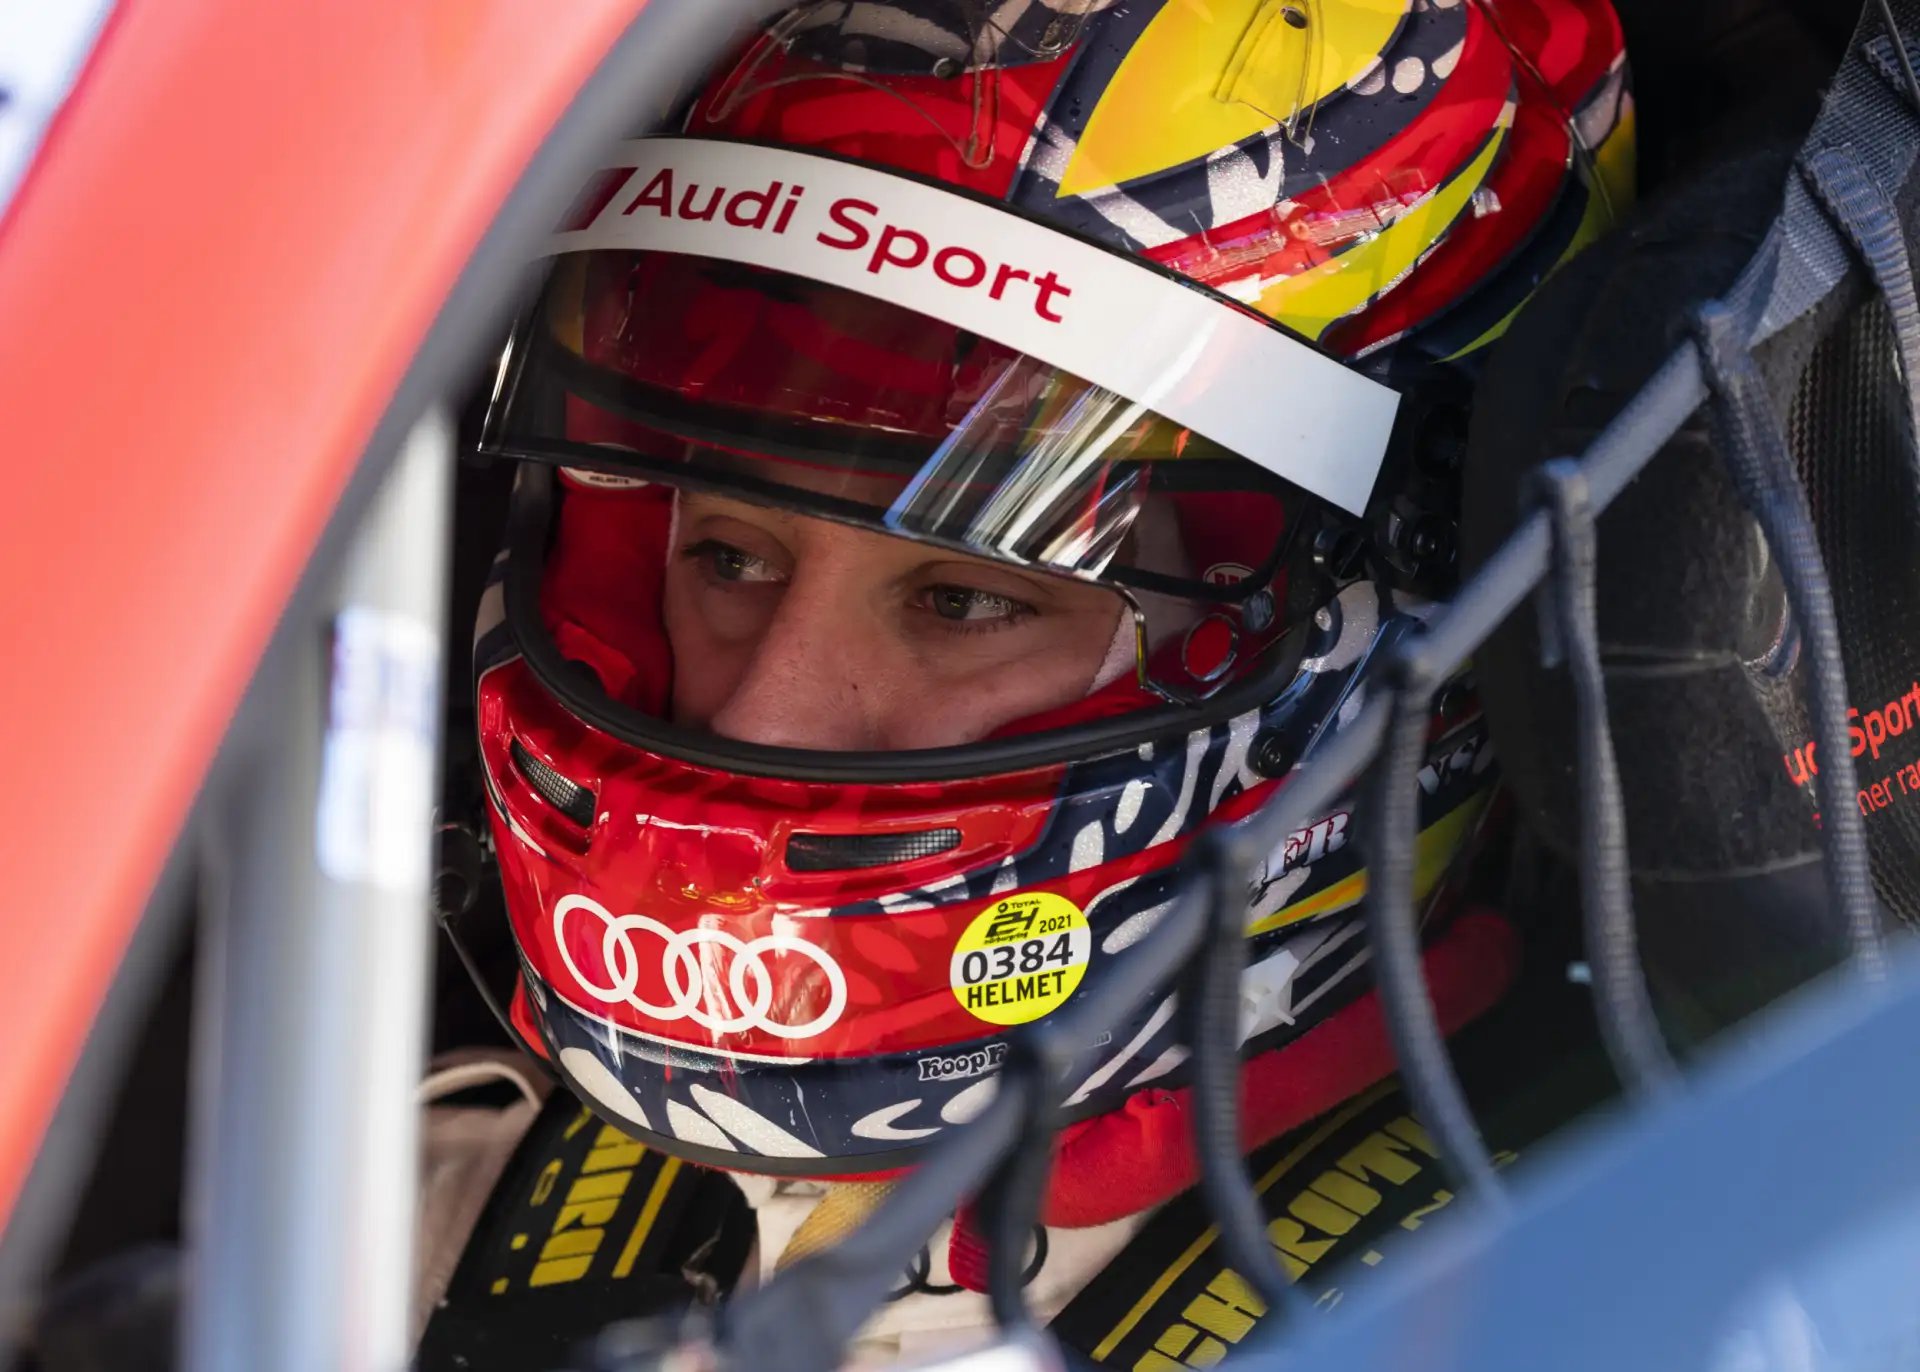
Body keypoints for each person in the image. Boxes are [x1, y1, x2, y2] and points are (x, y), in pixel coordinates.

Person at [436, 0, 1635, 1360]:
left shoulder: (1597, 1313)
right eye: (728, 555)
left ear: (1413, 589)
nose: (763, 710)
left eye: (964, 598)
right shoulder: (387, 1210)